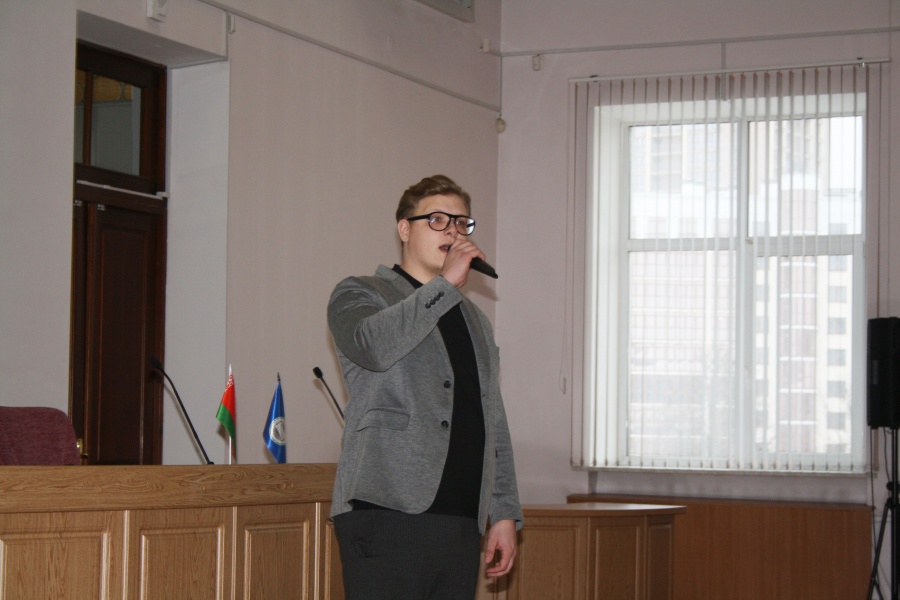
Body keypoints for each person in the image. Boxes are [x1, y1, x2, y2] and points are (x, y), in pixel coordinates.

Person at [327, 174, 523, 599]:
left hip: (461, 520)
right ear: (404, 229)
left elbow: (491, 417)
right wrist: (444, 286)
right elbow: (374, 348)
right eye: (437, 220)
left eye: (461, 222)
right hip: (386, 511)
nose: (452, 231)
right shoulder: (361, 293)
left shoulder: (475, 321)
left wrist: (504, 511)